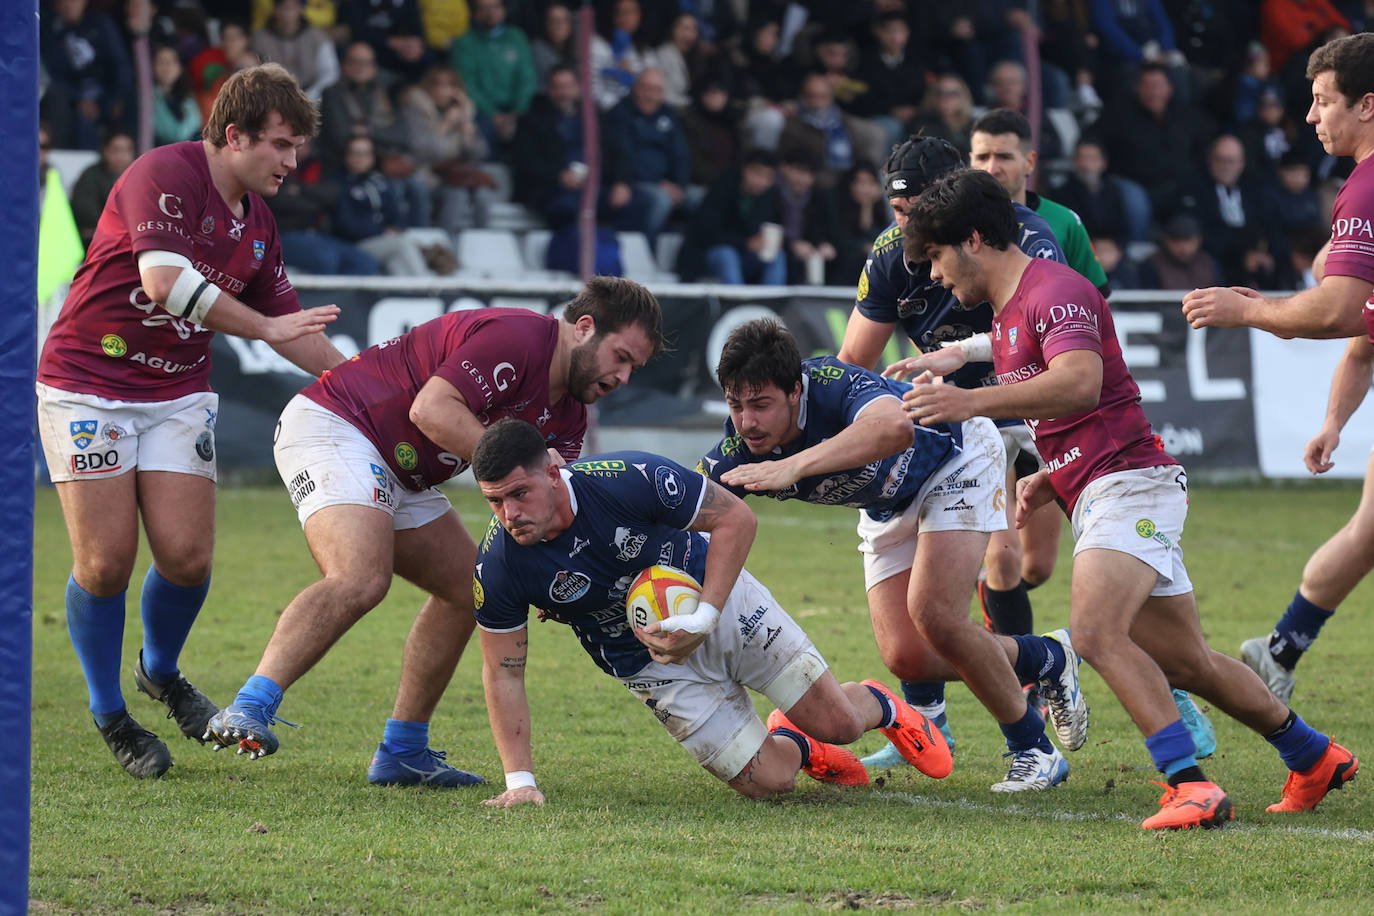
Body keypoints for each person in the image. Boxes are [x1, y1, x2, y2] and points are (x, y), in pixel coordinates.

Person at [891, 167, 1358, 829]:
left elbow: (1080, 383)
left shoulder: (1053, 290)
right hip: (1111, 484)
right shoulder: (1015, 308)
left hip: (1132, 485)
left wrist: (967, 398)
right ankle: (1315, 757)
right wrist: (1055, 471)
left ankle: (1187, 783)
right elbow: (1083, 397)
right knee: (1186, 660)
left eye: (936, 257)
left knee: (1094, 631)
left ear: (971, 240)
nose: (935, 276)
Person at [205, 278, 666, 786]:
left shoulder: (569, 418)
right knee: (360, 576)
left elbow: (540, 510)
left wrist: (550, 569)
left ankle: (402, 749)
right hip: (340, 424)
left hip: (403, 470)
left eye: (634, 368)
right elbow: (431, 410)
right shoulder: (518, 337)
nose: (623, 376)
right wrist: (519, 464)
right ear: (584, 329)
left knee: (468, 590)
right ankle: (249, 706)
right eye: (620, 356)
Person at [35, 63, 344, 779]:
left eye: (297, 148)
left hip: (176, 392)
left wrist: (357, 381)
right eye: (281, 145)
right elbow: (165, 283)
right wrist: (267, 329)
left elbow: (286, 325)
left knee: (187, 558)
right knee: (106, 564)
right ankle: (110, 712)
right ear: (233, 136)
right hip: (89, 384)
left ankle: (162, 674)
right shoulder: (163, 173)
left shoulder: (259, 222)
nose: (293, 163)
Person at [469, 419, 953, 806]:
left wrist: (704, 617)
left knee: (841, 726)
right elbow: (502, 672)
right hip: (647, 665)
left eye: (518, 494)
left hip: (719, 600)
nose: (509, 514)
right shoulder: (499, 565)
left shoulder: (628, 479)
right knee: (771, 783)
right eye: (494, 501)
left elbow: (735, 518)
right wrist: (520, 780)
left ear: (552, 473)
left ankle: (880, 703)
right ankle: (798, 744)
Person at [700, 320, 1088, 792]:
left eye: (760, 405)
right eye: (736, 406)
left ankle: (1033, 750)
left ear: (795, 391)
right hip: (886, 504)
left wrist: (794, 464)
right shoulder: (739, 449)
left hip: (957, 459)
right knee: (908, 658)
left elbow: (893, 428)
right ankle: (1046, 657)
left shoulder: (832, 384)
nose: (747, 422)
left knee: (937, 618)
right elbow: (682, 501)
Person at [835, 135, 1066, 769]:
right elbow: (855, 358)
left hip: (1037, 405)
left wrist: (963, 359)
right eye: (897, 212)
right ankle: (932, 720)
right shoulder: (890, 253)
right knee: (980, 571)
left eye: (918, 215)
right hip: (954, 424)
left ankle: (1166, 678)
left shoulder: (1023, 233)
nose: (905, 228)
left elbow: (1050, 321)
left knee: (1047, 563)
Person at [1183, 32, 1374, 705]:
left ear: (1368, 105)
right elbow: (1364, 333)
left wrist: (1252, 312)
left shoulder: (1367, 188)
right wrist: (1334, 418)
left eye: (1323, 102)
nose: (1311, 116)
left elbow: (1339, 312)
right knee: (1369, 529)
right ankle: (1280, 649)